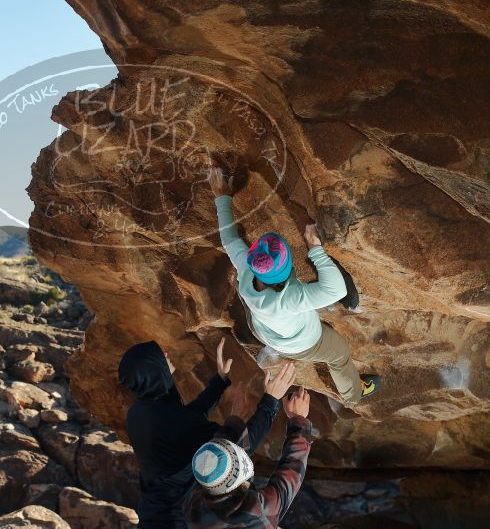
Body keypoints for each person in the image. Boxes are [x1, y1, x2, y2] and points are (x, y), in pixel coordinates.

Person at [205, 167, 380, 405]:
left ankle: (272, 345)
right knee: (339, 355)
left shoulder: (247, 271)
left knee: (247, 295)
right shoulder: (292, 297)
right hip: (302, 345)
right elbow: (335, 289)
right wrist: (315, 248)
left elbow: (229, 239)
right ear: (288, 267)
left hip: (263, 328)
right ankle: (353, 395)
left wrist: (221, 195)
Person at [119, 338, 297, 528]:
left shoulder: (139, 413)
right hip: (176, 521)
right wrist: (270, 401)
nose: (166, 355)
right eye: (159, 356)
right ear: (152, 369)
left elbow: (190, 416)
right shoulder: (173, 420)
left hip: (155, 515)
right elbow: (235, 452)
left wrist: (219, 381)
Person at [183, 386, 312, 528]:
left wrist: (237, 420)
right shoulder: (257, 512)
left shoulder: (194, 506)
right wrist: (298, 419)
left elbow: (219, 456)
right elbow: (293, 469)